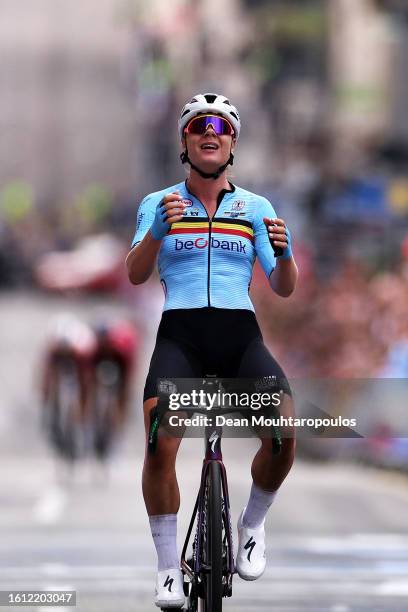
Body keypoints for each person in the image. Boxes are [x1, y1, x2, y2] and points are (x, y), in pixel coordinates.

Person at [126, 93, 298, 608]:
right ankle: (165, 569)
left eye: (221, 125)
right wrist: (156, 233)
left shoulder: (257, 208)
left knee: (285, 433)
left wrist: (286, 255)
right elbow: (135, 273)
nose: (210, 131)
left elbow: (284, 286)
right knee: (160, 445)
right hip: (180, 337)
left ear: (232, 141)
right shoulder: (159, 203)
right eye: (199, 124)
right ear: (185, 139)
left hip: (239, 337)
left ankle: (250, 527)